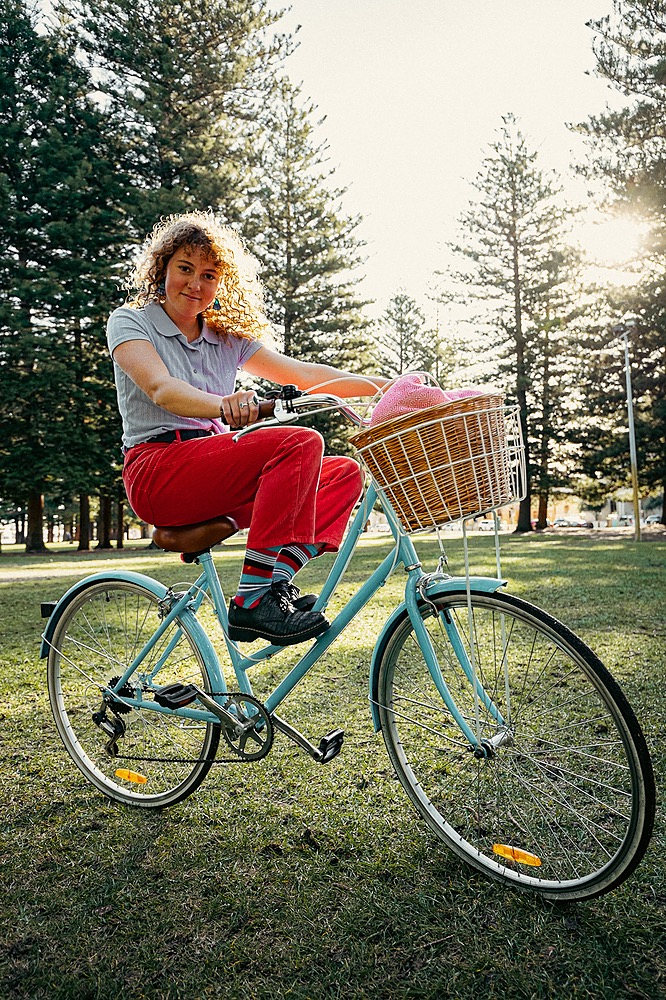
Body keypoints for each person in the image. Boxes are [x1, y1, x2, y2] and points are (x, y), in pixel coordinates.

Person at [107, 211, 388, 646]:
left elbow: (303, 373)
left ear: (222, 284)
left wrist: (390, 387)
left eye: (209, 275)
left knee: (342, 474)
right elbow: (162, 389)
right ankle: (254, 603)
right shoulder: (131, 321)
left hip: (218, 466)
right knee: (298, 442)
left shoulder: (226, 337)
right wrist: (223, 403)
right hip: (158, 470)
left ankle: (272, 580)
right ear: (162, 268)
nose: (195, 285)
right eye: (184, 268)